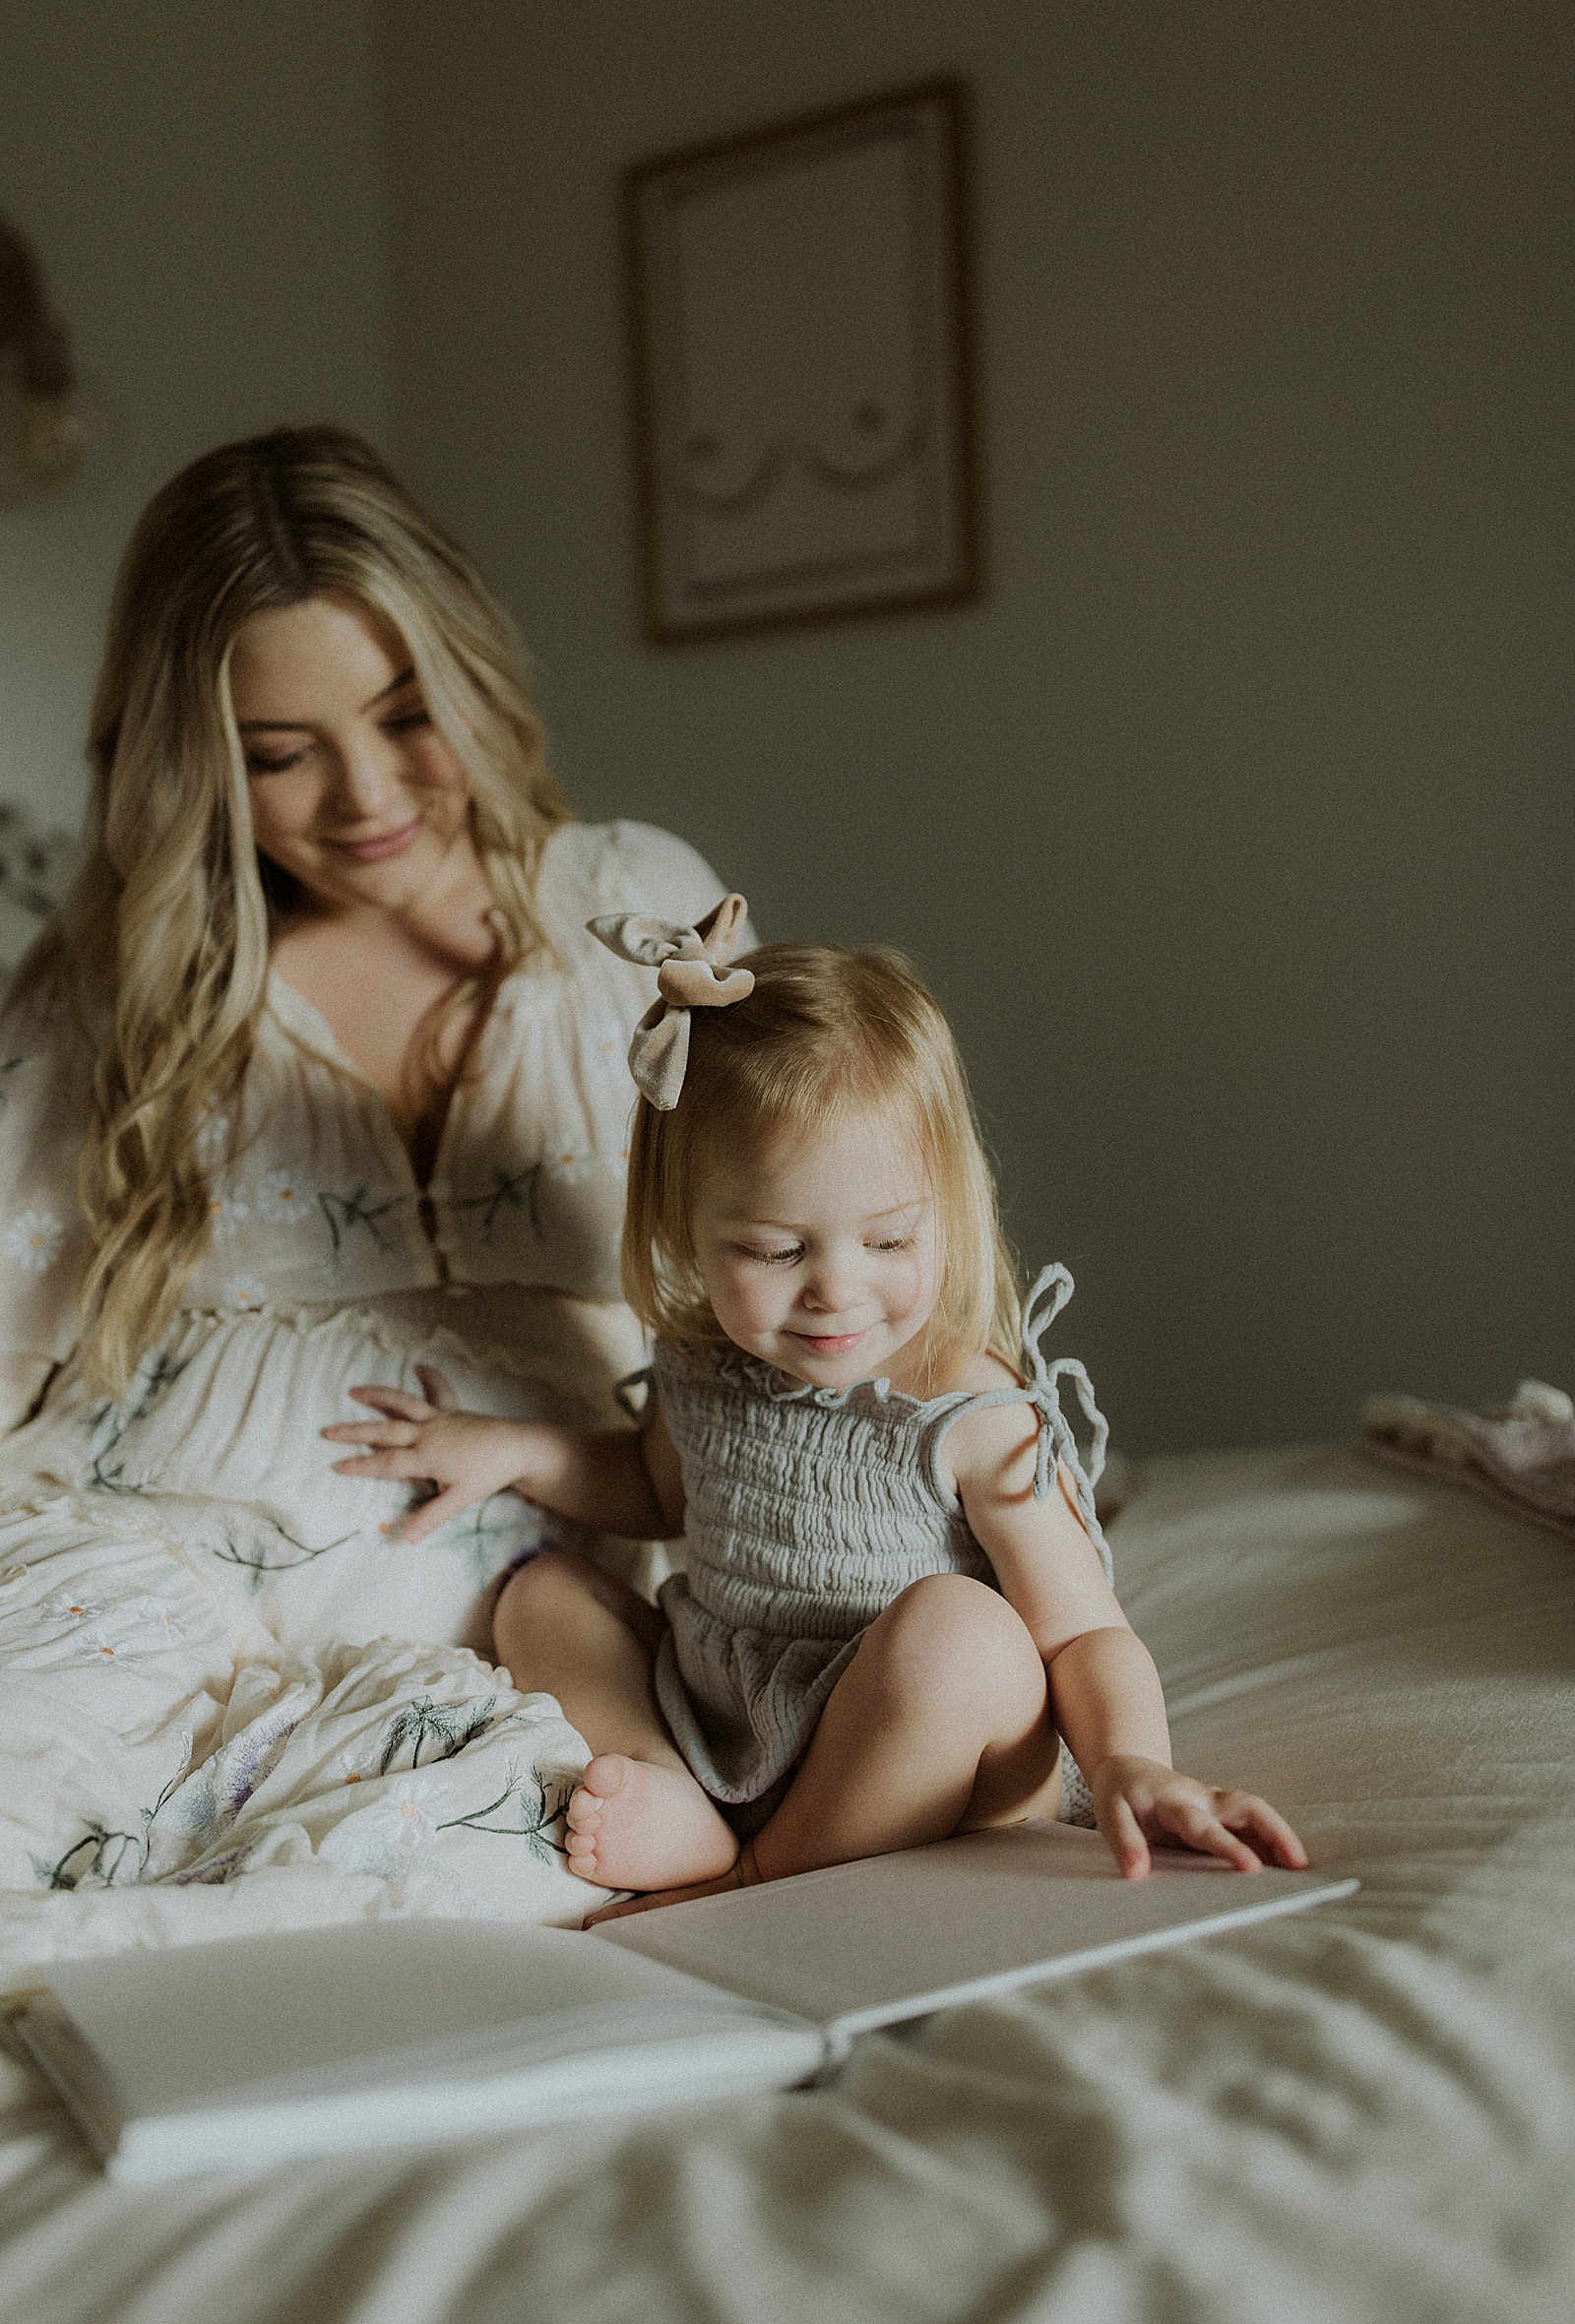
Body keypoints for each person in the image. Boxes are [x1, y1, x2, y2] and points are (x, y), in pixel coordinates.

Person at [327, 907, 1308, 1910]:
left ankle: (755, 1874)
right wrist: (517, 1451)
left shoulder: (969, 1408)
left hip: (929, 1755)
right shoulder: (703, 1365)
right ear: (686, 1236)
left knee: (964, 1632)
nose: (836, 1291)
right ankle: (679, 1793)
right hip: (735, 1723)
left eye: (887, 1242)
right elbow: (654, 1491)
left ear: (945, 1208)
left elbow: (1080, 1635)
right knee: (544, 1595)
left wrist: (1130, 1766)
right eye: (774, 1250)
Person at [0, 425, 739, 1651]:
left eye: (407, 718)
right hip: (139, 1564)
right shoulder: (118, 980)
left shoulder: (643, 922)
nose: (368, 799)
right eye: (281, 754)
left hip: (525, 1596)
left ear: (474, 680)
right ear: (195, 763)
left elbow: (837, 1243)